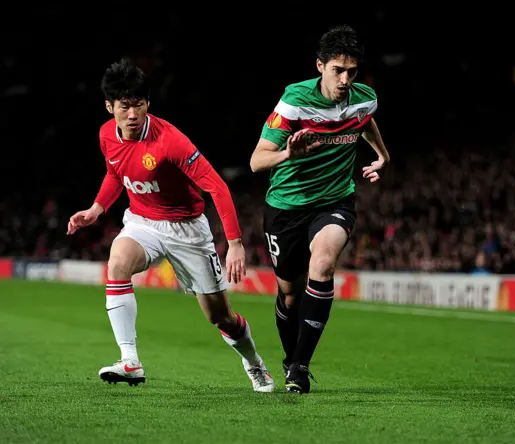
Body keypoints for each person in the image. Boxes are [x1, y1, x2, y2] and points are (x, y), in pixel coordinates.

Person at [67, 57, 275, 392]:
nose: (133, 114)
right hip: (143, 222)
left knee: (220, 317)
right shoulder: (107, 135)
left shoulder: (170, 141)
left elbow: (217, 187)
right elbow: (115, 172)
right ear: (110, 107)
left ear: (148, 103)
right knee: (117, 262)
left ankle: (254, 363)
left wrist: (235, 244)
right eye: (124, 106)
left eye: (139, 105)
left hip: (187, 229)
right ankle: (130, 361)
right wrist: (96, 208)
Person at [249, 25, 390, 394]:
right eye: (337, 70)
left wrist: (382, 155)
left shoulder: (364, 98)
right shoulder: (294, 101)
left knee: (324, 262)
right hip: (286, 206)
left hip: (335, 200)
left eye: (352, 71)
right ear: (319, 66)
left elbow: (364, 120)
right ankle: (289, 355)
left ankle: (300, 366)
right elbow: (256, 161)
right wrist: (288, 154)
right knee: (289, 295)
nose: (345, 79)